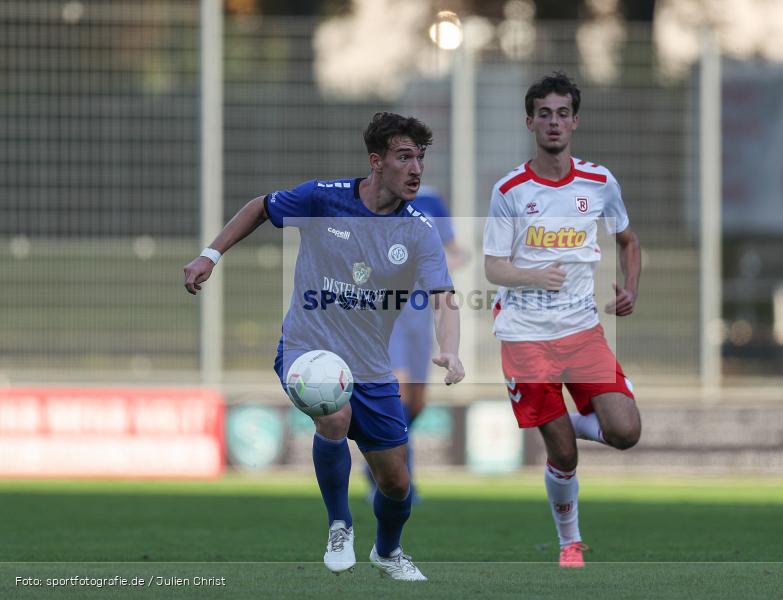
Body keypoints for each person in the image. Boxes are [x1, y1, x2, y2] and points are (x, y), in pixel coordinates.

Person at [183, 112, 465, 580]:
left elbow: (444, 298)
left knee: (397, 484)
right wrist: (210, 255)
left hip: (372, 366)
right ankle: (339, 525)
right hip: (307, 348)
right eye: (404, 157)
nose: (416, 168)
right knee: (333, 411)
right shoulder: (323, 198)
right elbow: (260, 206)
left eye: (420, 158)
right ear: (376, 162)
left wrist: (450, 349)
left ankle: (388, 552)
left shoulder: (418, 229)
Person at [482, 72, 642, 568]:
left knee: (626, 431)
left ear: (575, 121)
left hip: (582, 331)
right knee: (565, 457)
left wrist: (630, 289)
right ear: (529, 122)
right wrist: (533, 275)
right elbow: (493, 267)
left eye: (563, 113)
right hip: (525, 337)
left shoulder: (599, 182)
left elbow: (628, 241)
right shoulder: (509, 189)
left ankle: (555, 422)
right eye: (544, 114)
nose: (554, 122)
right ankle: (569, 543)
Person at [363, 187, 469, 502]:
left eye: (417, 162)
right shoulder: (377, 198)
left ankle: (376, 461)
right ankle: (395, 479)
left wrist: (443, 261)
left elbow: (456, 251)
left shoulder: (432, 201)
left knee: (417, 403)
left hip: (421, 317)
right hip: (387, 315)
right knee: (399, 394)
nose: (412, 167)